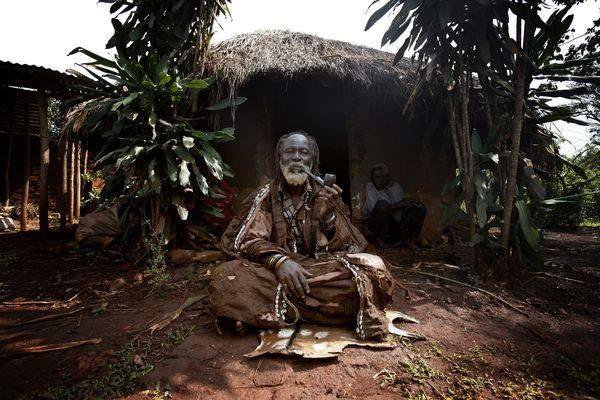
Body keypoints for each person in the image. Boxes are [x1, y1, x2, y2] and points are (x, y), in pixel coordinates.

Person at [210, 132, 394, 341]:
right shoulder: (266, 196)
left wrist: (328, 216)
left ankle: (261, 310)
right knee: (226, 274)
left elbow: (351, 247)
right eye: (290, 152)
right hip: (274, 274)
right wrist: (280, 262)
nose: (296, 157)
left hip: (317, 272)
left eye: (303, 152)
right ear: (281, 160)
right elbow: (245, 241)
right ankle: (325, 311)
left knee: (372, 269)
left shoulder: (326, 195)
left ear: (311, 161)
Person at [363, 163, 427, 248]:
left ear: (387, 177)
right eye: (374, 177)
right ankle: (379, 240)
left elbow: (402, 207)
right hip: (376, 225)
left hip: (393, 224)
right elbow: (374, 209)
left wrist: (410, 204)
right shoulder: (370, 187)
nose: (376, 180)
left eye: (379, 177)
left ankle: (410, 240)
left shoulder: (395, 186)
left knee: (420, 208)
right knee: (382, 205)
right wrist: (399, 204)